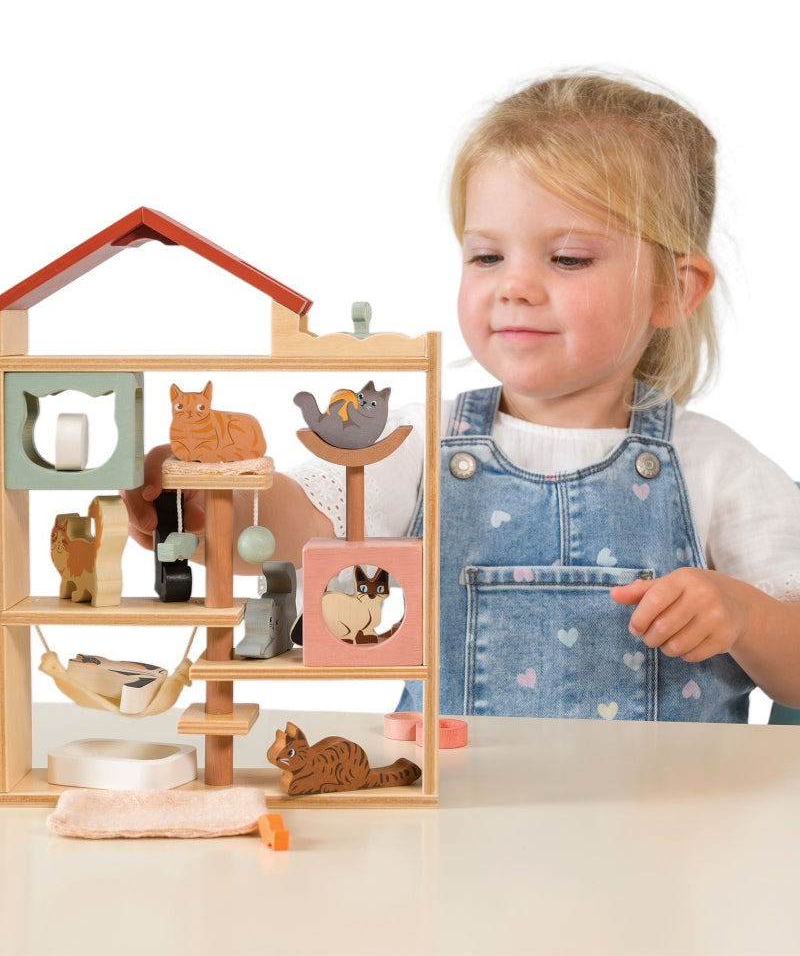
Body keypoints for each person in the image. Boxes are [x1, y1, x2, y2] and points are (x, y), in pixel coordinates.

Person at [124, 71, 800, 723]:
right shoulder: (413, 445)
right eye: (486, 256)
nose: (515, 286)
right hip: (455, 823)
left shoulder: (713, 467)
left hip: (662, 833)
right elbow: (279, 537)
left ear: (671, 290)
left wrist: (745, 615)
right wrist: (194, 497)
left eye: (567, 257)